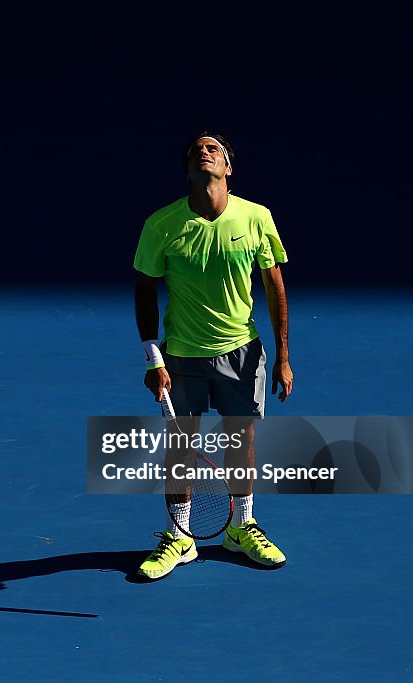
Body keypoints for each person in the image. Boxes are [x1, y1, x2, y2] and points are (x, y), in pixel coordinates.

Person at [133, 132, 293, 579]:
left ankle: (241, 528)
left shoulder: (256, 218)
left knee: (241, 442)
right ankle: (180, 537)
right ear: (188, 171)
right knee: (180, 446)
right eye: (194, 151)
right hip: (181, 354)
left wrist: (282, 356)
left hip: (241, 352)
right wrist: (153, 358)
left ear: (228, 167)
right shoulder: (161, 225)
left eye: (212, 148)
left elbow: (274, 285)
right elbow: (144, 290)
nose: (203, 152)